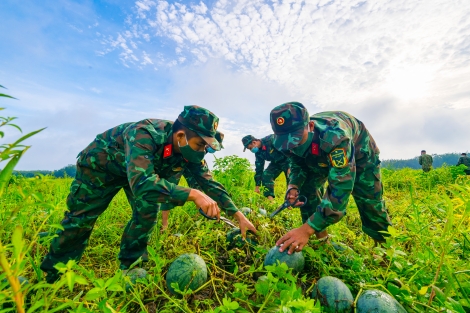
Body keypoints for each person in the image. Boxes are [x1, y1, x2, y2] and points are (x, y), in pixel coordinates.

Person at [40, 106, 257, 283]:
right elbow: (142, 184)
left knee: (147, 212)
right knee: (81, 219)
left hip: (139, 174)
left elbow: (208, 183)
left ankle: (130, 266)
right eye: (200, 144)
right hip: (101, 167)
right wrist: (193, 194)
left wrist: (237, 214)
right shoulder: (145, 133)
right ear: (181, 135)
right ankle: (53, 274)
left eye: (206, 147)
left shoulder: (189, 151)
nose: (202, 151)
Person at [269, 102, 392, 254]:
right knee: (307, 188)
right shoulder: (285, 142)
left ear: (311, 127)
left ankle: (386, 251)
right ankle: (322, 244)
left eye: (296, 140)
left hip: (360, 150)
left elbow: (340, 189)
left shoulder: (336, 138)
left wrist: (306, 230)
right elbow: (296, 164)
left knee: (368, 197)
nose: (292, 147)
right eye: (287, 143)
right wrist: (293, 186)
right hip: (315, 152)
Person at [160, 131, 224, 231]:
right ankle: (165, 224)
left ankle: (203, 217)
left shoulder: (203, 150)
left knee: (199, 189)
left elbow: (205, 176)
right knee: (170, 190)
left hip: (191, 166)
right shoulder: (194, 141)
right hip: (178, 164)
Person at [242, 134, 290, 200]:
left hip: (287, 160)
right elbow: (259, 168)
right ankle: (271, 201)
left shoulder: (271, 140)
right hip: (275, 163)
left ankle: (291, 201)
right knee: (266, 175)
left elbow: (289, 149)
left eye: (250, 148)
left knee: (291, 177)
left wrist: (291, 166)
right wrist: (257, 186)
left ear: (254, 142)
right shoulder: (258, 152)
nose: (251, 150)